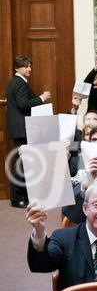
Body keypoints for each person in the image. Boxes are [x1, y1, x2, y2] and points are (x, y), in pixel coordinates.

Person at [7, 55, 51, 208]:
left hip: (20, 129)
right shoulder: (19, 83)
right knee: (21, 164)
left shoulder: (16, 82)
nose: (29, 69)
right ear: (17, 68)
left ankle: (21, 196)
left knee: (22, 163)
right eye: (26, 66)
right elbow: (23, 104)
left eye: (30, 66)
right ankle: (17, 198)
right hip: (22, 130)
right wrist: (41, 98)